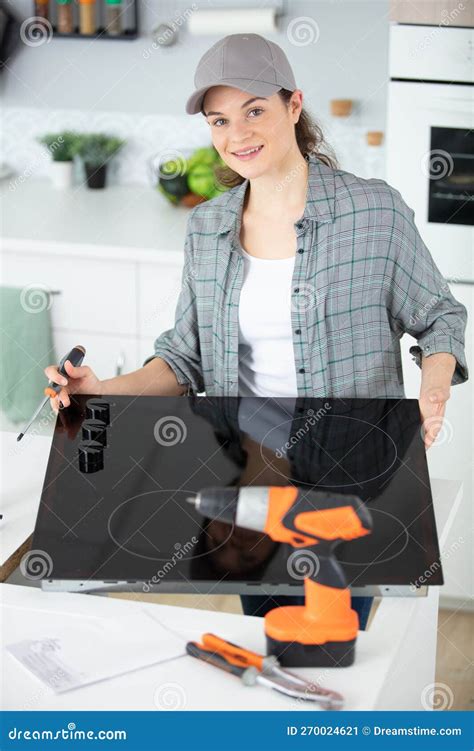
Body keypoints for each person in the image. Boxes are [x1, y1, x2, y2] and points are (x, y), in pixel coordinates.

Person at [45, 34, 468, 627]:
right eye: (219, 120)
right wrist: (99, 390)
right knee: (271, 640)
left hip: (350, 476)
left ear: (294, 105)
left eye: (254, 111)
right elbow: (183, 361)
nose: (236, 135)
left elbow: (440, 315)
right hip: (248, 479)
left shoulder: (375, 213)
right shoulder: (208, 227)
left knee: (335, 646)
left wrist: (434, 386)